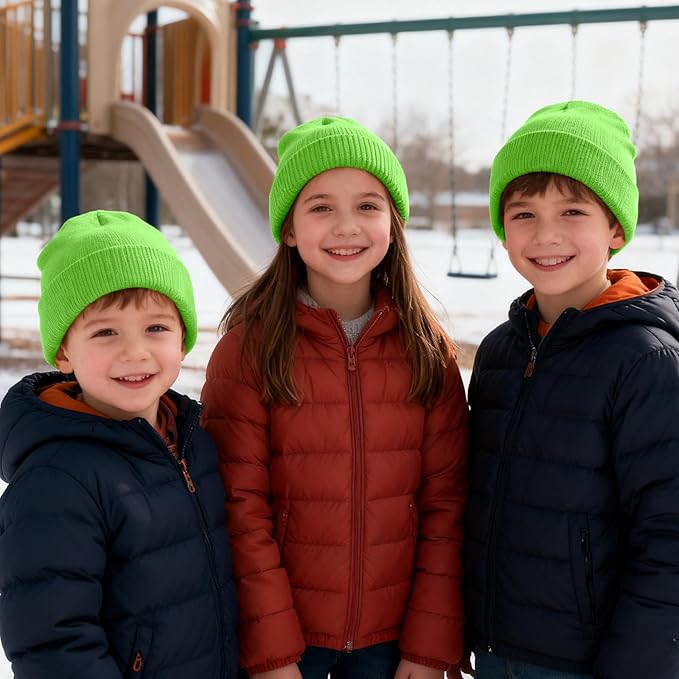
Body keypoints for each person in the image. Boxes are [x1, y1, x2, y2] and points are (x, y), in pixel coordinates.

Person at [201, 116, 468, 679]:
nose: (347, 226)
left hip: (393, 643)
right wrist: (273, 653)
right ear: (289, 230)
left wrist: (428, 646)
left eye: (368, 206)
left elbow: (446, 506)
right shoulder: (249, 349)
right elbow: (240, 509)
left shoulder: (425, 349)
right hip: (289, 642)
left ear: (393, 224)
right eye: (321, 207)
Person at [464, 100, 679, 679]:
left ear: (615, 228)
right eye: (524, 213)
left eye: (573, 211)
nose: (546, 234)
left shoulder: (646, 360)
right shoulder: (501, 351)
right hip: (496, 650)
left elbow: (668, 537)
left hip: (592, 661)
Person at [0, 210, 238, 679]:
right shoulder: (57, 481)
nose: (135, 351)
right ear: (64, 352)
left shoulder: (195, 443)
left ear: (183, 340)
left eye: (156, 328)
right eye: (106, 332)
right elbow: (54, 642)